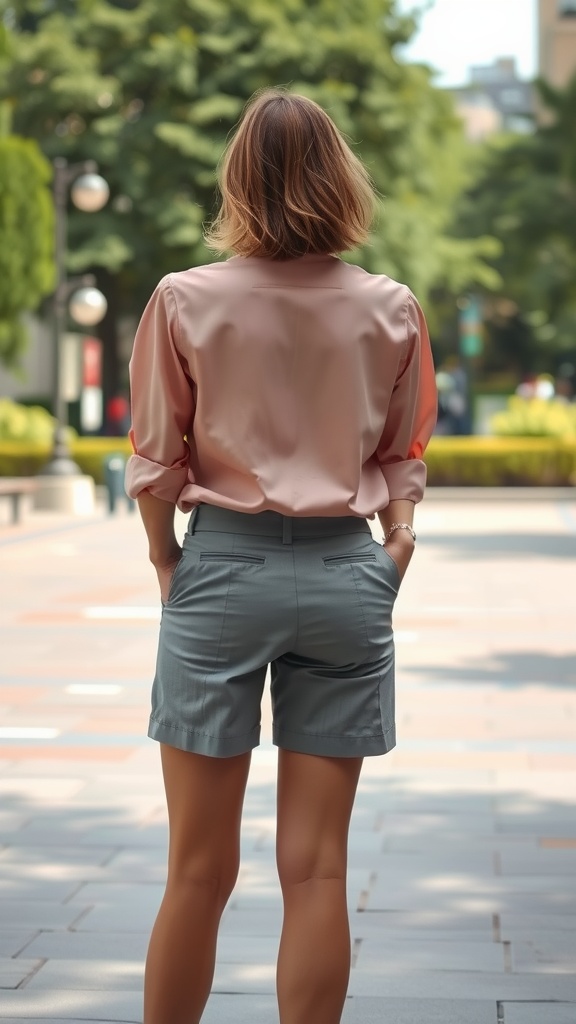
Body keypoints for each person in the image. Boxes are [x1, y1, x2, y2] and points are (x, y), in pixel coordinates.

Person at [125, 88, 437, 1024]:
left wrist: (167, 563)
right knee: (317, 870)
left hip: (222, 569)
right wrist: (394, 549)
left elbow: (155, 458)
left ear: (237, 180)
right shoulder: (390, 306)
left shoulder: (183, 299)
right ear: (341, 178)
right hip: (348, 575)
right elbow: (404, 452)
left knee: (196, 870)